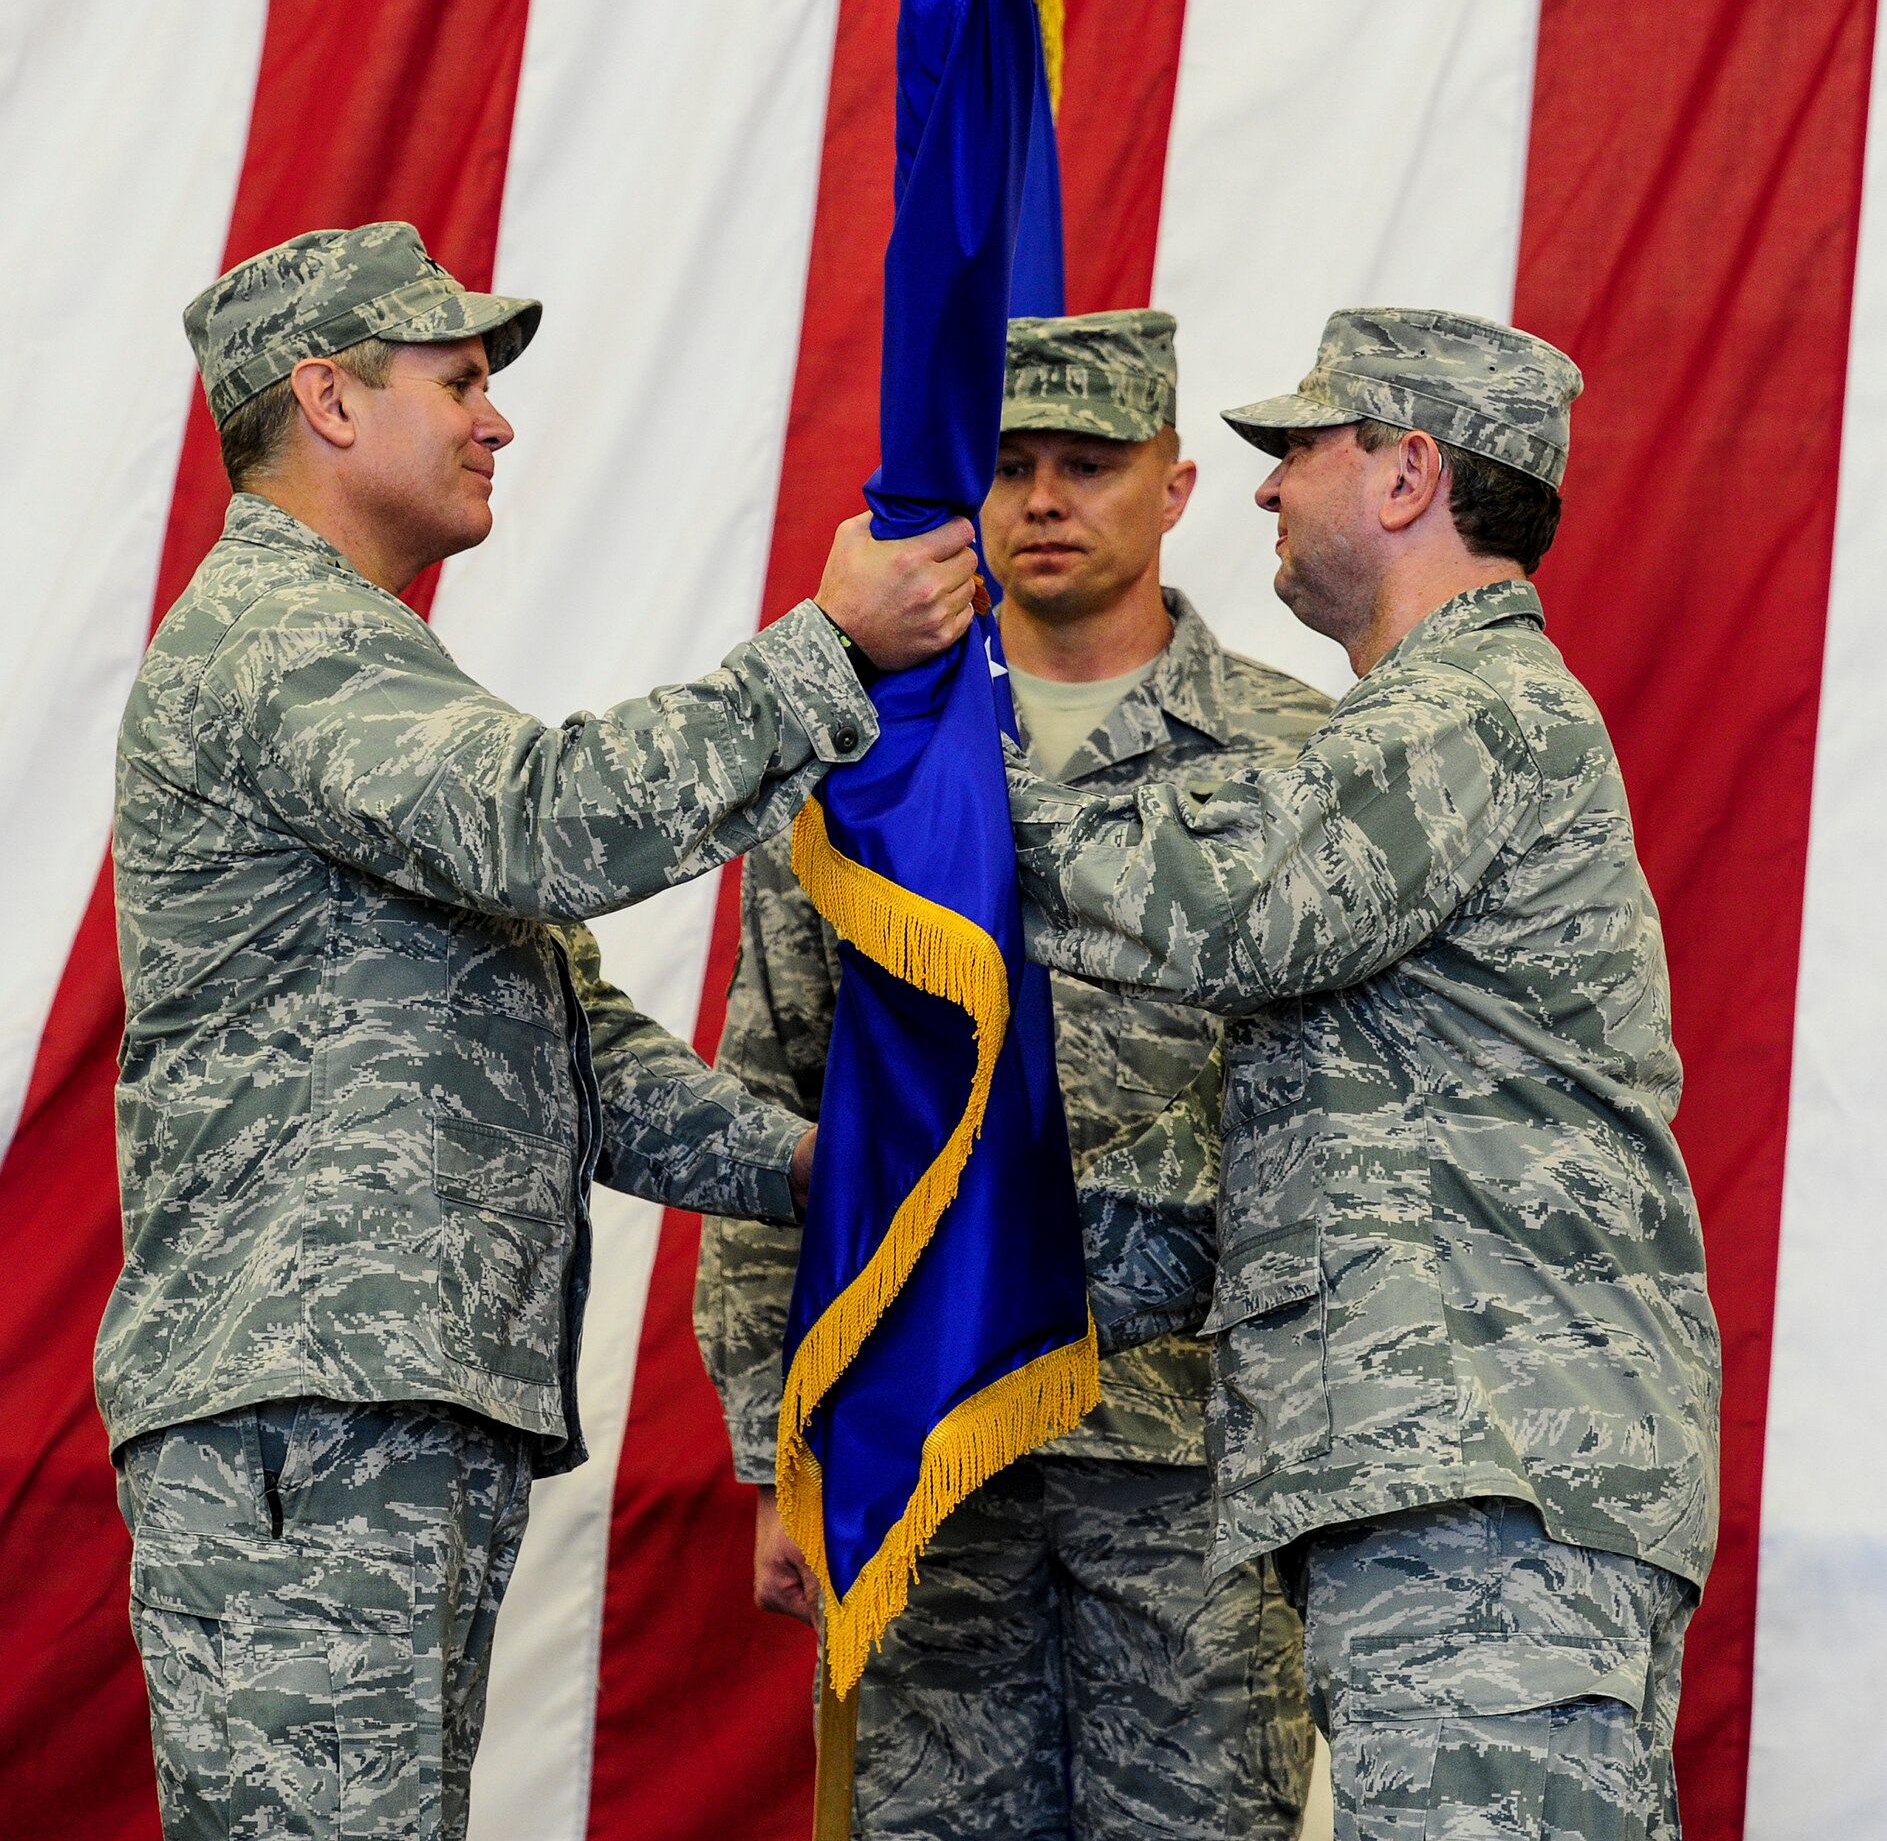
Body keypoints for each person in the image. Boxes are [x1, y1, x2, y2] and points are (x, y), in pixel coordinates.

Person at [101, 221, 979, 1841]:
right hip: (316, 1397)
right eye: (459, 380)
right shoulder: (278, 643)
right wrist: (827, 652)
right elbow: (546, 821)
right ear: (331, 401)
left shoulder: (367, 664)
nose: (497, 418)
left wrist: (828, 1160)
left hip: (378, 1395)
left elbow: (570, 1042)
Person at [1007, 308, 1722, 1840]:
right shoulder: (1438, 724)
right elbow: (1271, 1156)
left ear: (1409, 475)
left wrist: (938, 809)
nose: (1268, 491)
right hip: (1459, 1462)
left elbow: (1235, 906)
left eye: (1299, 450)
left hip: (1492, 1465)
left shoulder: (1473, 711)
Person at [694, 310, 1327, 1840]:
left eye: (1091, 464)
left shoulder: (1301, 759)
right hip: (932, 1436)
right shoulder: (870, 768)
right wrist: (772, 1437)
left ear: (1174, 484)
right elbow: (780, 1093)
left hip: (1202, 1453)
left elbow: (1348, 1124)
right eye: (1011, 465)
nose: (1044, 501)